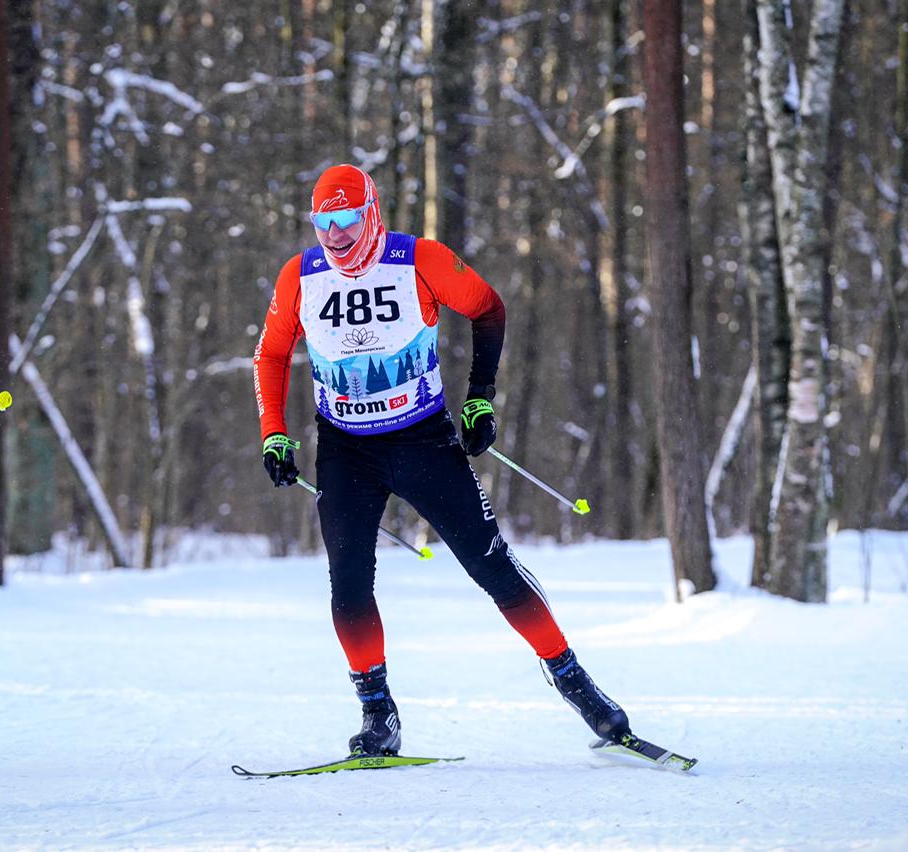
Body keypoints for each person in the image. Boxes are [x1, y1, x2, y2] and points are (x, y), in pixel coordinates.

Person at [253, 163, 632, 756]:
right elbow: (271, 355)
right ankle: (378, 713)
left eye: (347, 220)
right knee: (348, 589)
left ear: (370, 211)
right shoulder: (300, 275)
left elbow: (488, 308)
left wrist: (480, 397)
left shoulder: (419, 260)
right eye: (323, 223)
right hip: (346, 450)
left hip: (421, 441)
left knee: (492, 569)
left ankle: (578, 685)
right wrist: (275, 433)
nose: (336, 236)